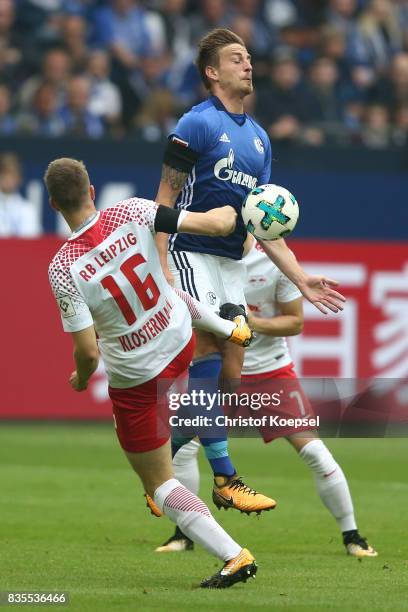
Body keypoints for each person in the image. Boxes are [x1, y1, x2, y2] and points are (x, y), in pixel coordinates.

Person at [154, 28, 345, 515]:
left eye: (249, 58)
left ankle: (166, 452)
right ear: (213, 72)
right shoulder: (196, 124)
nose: (248, 65)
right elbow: (165, 199)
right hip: (192, 254)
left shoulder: (258, 139)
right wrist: (162, 263)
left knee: (232, 375)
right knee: (214, 347)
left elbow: (264, 226)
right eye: (236, 59)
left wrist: (301, 279)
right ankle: (225, 478)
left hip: (232, 266)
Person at [46, 157, 259, 589]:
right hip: (180, 341)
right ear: (91, 190)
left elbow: (88, 351)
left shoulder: (62, 268)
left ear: (54, 205)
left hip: (138, 376)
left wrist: (81, 379)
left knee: (160, 483)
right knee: (169, 289)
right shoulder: (133, 210)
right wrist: (227, 214)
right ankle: (228, 330)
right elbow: (210, 225)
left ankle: (234, 556)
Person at [155, 238, 377, 558]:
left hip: (271, 374)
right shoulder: (205, 256)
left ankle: (352, 535)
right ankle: (183, 533)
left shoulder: (276, 261)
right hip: (221, 372)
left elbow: (295, 321)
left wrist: (247, 322)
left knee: (316, 454)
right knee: (183, 451)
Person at [0, 153, 41, 237]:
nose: (8, 179)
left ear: (19, 178)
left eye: (12, 175)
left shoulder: (28, 209)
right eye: (4, 174)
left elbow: (33, 239)